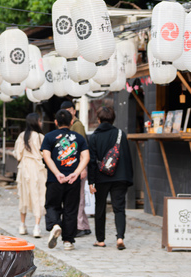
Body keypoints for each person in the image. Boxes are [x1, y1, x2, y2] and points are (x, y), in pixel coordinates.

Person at [40, 108, 89, 251]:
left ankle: (55, 225)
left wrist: (56, 173)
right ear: (72, 122)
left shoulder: (49, 137)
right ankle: (68, 241)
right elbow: (86, 157)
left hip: (55, 180)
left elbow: (46, 157)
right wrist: (76, 173)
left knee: (51, 205)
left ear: (55, 122)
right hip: (73, 180)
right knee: (71, 210)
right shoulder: (79, 138)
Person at [87, 105, 135, 250]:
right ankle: (120, 237)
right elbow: (127, 157)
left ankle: (100, 240)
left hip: (101, 178)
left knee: (100, 208)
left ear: (99, 119)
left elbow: (92, 161)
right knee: (119, 208)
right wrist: (127, 177)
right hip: (120, 177)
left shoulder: (94, 137)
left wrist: (91, 181)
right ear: (113, 119)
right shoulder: (121, 134)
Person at [59, 100, 92, 237]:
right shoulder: (71, 125)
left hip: (78, 165)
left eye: (69, 110)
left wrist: (82, 168)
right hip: (74, 165)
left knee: (78, 196)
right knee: (77, 195)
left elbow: (81, 147)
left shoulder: (77, 125)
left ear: (73, 110)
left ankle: (78, 226)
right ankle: (84, 225)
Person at [13, 112, 46, 237]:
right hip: (37, 168)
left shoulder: (22, 136)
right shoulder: (40, 137)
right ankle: (36, 227)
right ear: (36, 122)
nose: (41, 123)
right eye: (39, 120)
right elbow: (44, 154)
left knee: (24, 195)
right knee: (38, 195)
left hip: (24, 168)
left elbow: (18, 154)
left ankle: (22, 224)